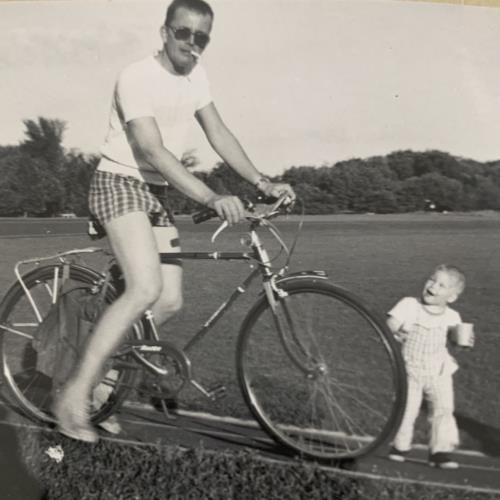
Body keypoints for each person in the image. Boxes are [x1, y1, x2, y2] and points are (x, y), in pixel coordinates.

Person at [52, 0, 295, 442]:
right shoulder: (136, 76)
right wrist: (211, 196)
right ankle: (72, 398)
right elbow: (151, 149)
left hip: (156, 193)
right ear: (165, 32)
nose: (192, 43)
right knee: (144, 287)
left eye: (202, 37)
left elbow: (219, 133)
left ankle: (102, 388)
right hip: (118, 182)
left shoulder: (196, 76)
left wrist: (263, 181)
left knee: (167, 302)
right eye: (184, 33)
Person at [386, 264, 471, 469]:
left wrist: (463, 343)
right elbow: (388, 326)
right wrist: (395, 332)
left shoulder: (452, 316)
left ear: (451, 297)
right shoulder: (409, 305)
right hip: (410, 370)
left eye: (442, 285)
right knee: (406, 409)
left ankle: (440, 452)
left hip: (439, 372)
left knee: (443, 410)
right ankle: (399, 447)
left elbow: (455, 344)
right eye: (432, 280)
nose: (433, 286)